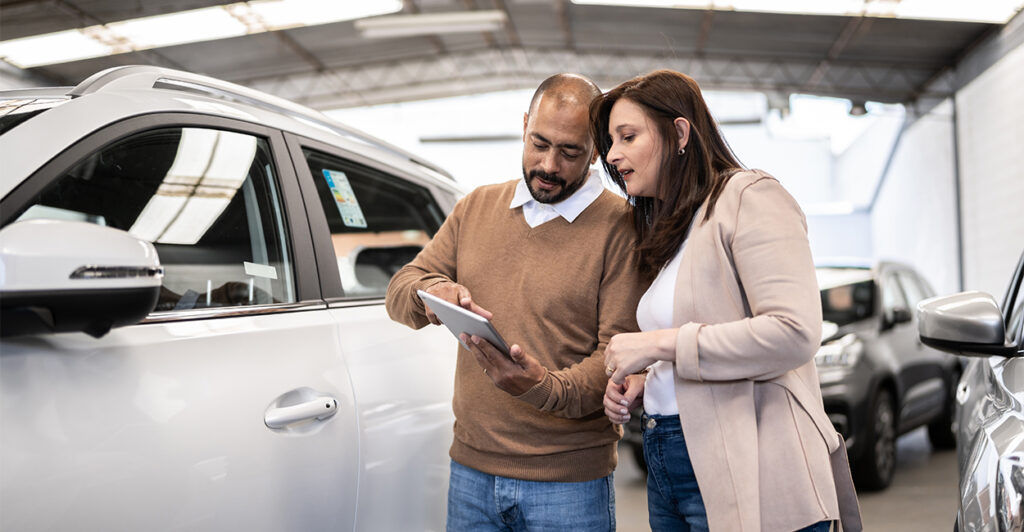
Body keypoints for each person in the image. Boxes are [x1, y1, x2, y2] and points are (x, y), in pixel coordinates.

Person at [592, 70, 862, 532]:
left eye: (628, 136)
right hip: (668, 454)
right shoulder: (672, 227)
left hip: (754, 460)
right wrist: (651, 382)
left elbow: (794, 333)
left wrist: (657, 346)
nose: (612, 155)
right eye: (611, 142)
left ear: (679, 132)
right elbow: (708, 328)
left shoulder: (750, 197)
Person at [385, 73, 646, 531]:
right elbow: (401, 288)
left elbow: (617, 355)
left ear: (598, 148)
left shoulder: (620, 226)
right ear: (524, 124)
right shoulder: (476, 207)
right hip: (471, 474)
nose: (548, 165)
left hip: (569, 484)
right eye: (538, 142)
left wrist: (537, 385)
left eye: (570, 152)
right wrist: (433, 295)